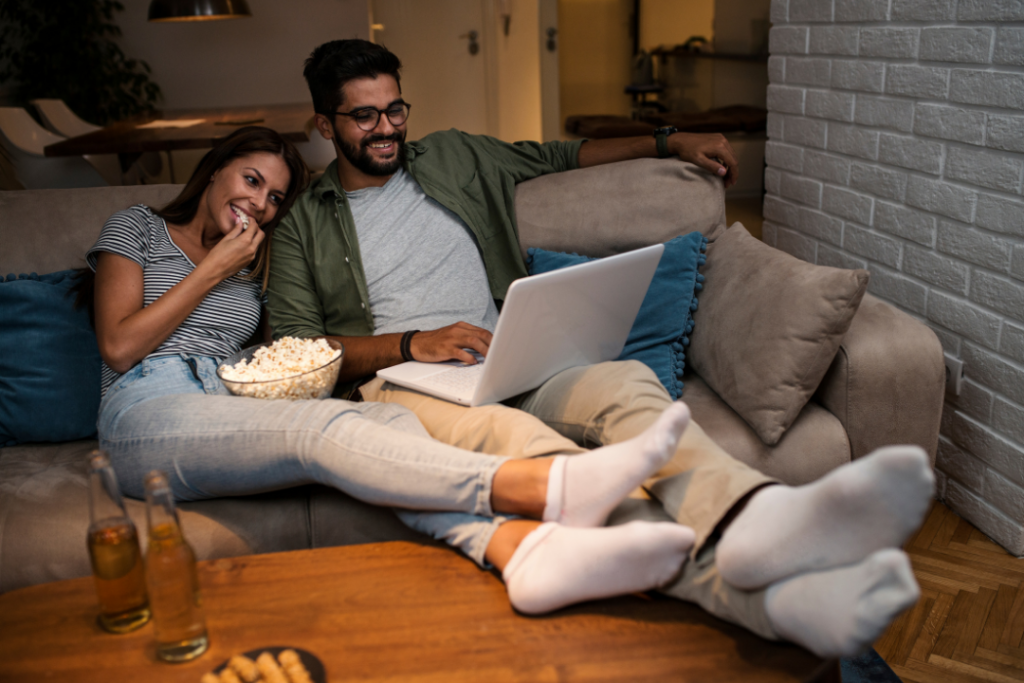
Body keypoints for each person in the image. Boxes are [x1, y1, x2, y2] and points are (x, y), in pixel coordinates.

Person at [265, 39, 935, 657]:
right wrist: (413, 342)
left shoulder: (453, 156)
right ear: (326, 125)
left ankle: (753, 514)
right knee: (525, 442)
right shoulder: (304, 224)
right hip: (408, 385)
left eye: (395, 109)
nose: (387, 129)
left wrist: (669, 140)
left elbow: (562, 155)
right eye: (364, 118)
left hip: (509, 358)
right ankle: (770, 600)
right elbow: (298, 348)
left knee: (623, 384)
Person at [87, 124, 712, 616]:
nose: (259, 205)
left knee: (387, 419)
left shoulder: (260, 262)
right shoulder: (140, 228)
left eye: (274, 197)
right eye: (250, 181)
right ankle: (546, 488)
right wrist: (215, 269)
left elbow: (285, 348)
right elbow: (119, 346)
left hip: (229, 397)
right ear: (215, 168)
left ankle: (518, 553)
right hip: (146, 403)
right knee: (320, 430)